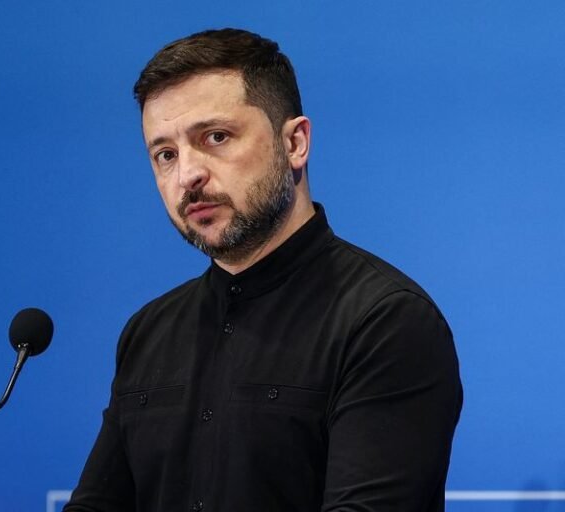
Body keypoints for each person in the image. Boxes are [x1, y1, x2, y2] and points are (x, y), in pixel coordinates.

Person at [64, 28, 462, 512]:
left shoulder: (386, 322)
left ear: (295, 142)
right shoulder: (148, 331)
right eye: (165, 154)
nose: (187, 175)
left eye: (215, 137)